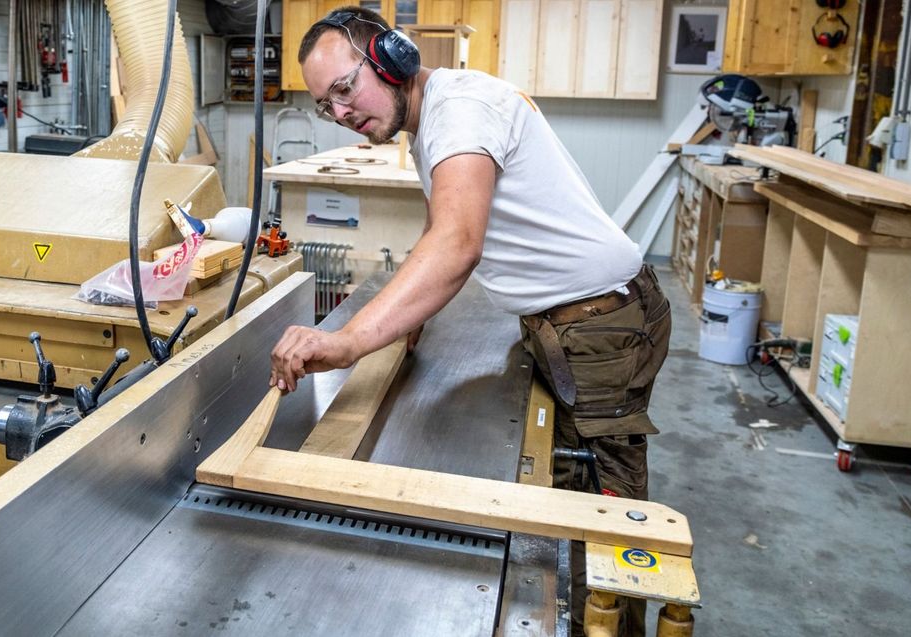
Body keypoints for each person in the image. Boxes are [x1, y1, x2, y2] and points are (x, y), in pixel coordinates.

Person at [269, 7, 671, 636]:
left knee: (607, 511)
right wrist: (401, 318)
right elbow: (442, 229)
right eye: (326, 106)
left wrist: (350, 340)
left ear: (392, 57)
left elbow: (458, 243)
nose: (341, 113)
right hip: (566, 321)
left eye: (344, 89)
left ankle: (620, 628)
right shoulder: (433, 119)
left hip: (602, 327)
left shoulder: (458, 112)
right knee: (562, 477)